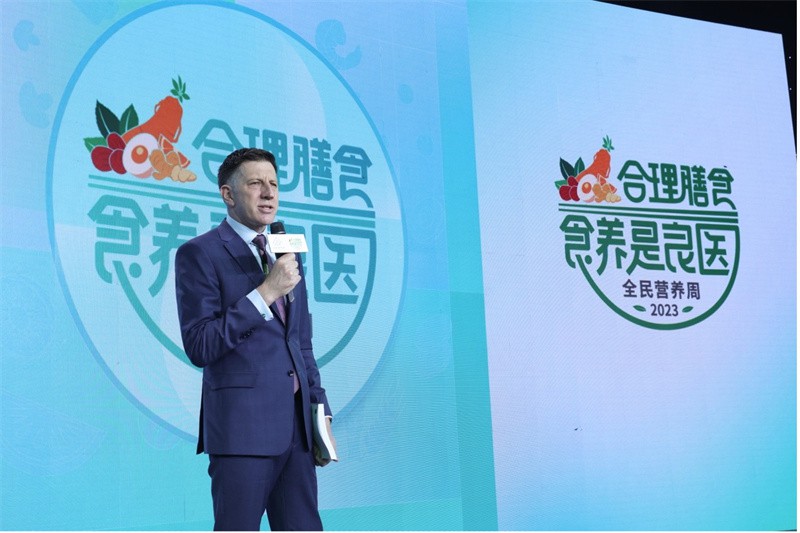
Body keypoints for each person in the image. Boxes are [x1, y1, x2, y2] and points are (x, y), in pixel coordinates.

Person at [174, 148, 335, 531]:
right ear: (228, 194)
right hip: (241, 431)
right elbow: (200, 344)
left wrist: (319, 409)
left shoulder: (285, 252)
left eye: (274, 184)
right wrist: (265, 293)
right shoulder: (199, 253)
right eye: (255, 184)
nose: (268, 193)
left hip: (297, 429)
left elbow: (301, 342)